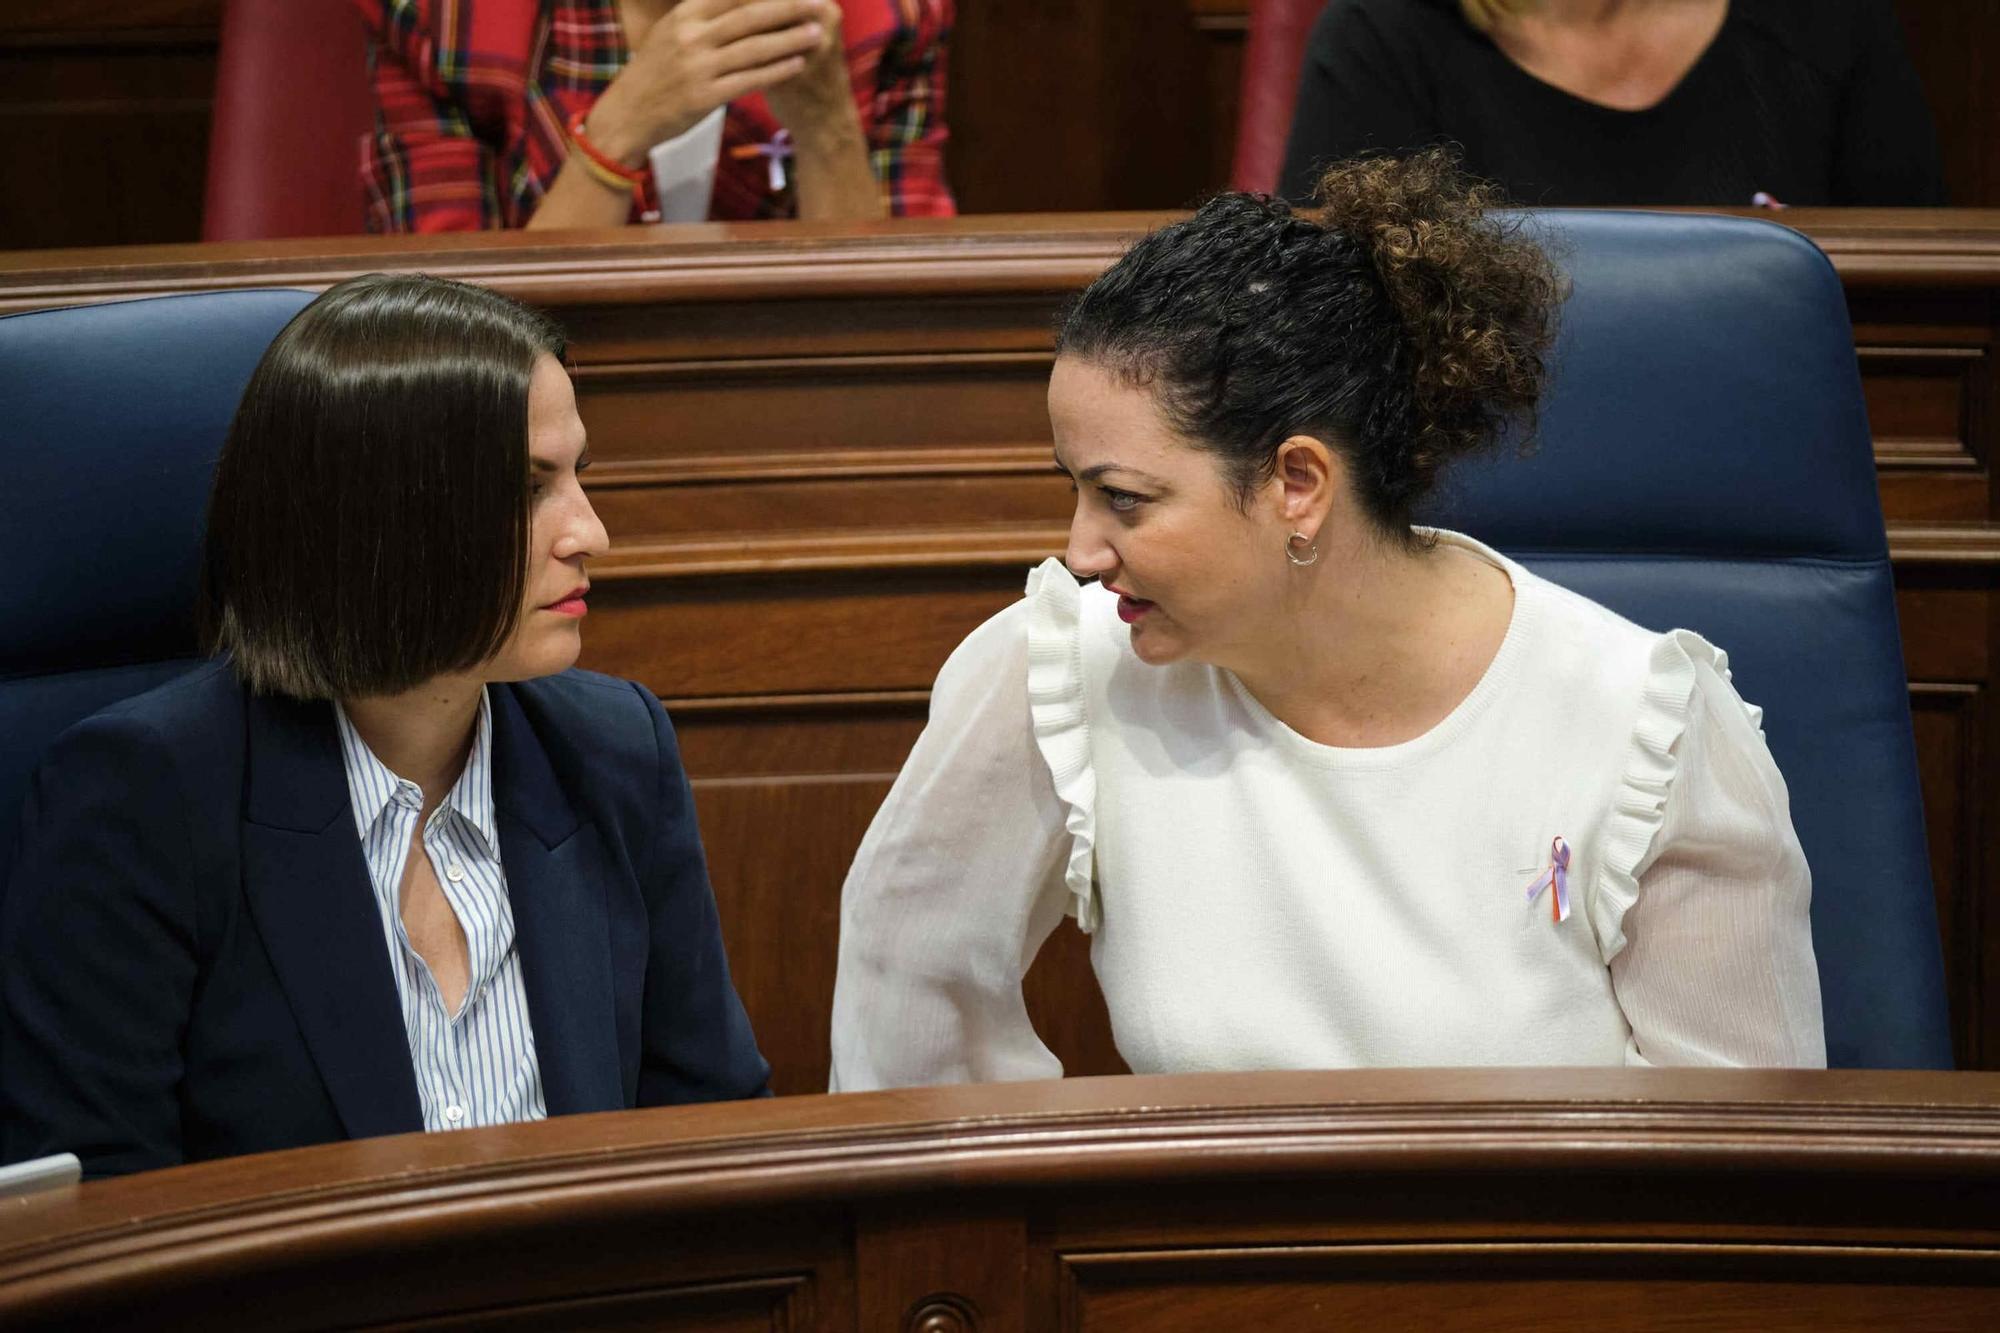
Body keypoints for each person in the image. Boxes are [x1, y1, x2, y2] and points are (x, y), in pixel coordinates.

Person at [828, 149, 1827, 1089]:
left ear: (1295, 483)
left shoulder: (1644, 729)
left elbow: (1743, 1180)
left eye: (1123, 498)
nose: (1080, 553)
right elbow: (903, 1003)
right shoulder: (1056, 670)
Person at [0, 274, 769, 1179]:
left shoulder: (614, 751)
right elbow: (98, 1228)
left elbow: (712, 1147)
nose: (589, 532)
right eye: (529, 489)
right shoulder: (143, 799)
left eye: (578, 477)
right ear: (380, 520)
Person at [1280, 0, 1945, 208]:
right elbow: (1321, 336)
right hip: (1476, 500)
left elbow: (1928, 324)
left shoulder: (1826, 22)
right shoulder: (1382, 32)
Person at [357, 0, 955, 231]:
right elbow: (447, 341)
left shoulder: (890, 16)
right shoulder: (449, 21)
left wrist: (827, 130)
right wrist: (618, 134)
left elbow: (896, 324)